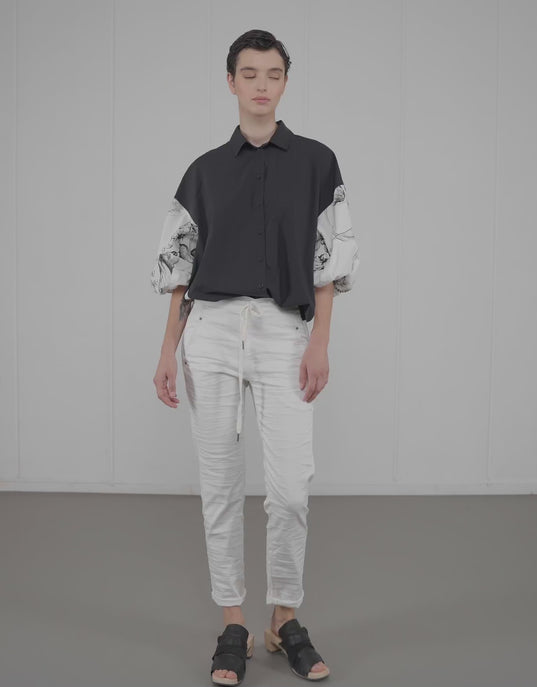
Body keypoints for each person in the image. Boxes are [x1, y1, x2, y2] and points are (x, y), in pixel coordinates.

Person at [151, 29, 359, 686]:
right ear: (231, 82)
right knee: (219, 486)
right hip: (210, 331)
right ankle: (234, 624)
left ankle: (285, 618)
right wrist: (167, 349)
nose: (262, 85)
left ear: (285, 82)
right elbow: (181, 268)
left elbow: (330, 262)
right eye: (249, 73)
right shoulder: (204, 171)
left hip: (283, 331)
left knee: (290, 490)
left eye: (273, 73)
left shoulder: (318, 163)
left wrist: (320, 340)